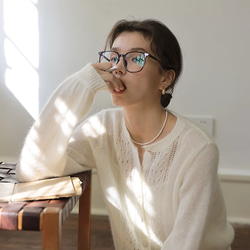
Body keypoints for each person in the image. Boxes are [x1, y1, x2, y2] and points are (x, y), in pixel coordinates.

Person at [16, 19, 234, 249]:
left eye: (135, 58)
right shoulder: (102, 128)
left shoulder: (198, 149)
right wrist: (81, 84)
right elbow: (32, 170)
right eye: (113, 57)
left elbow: (184, 244)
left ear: (165, 79)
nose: (118, 68)